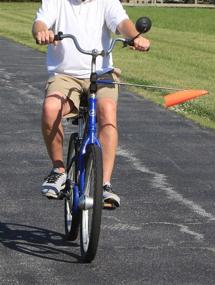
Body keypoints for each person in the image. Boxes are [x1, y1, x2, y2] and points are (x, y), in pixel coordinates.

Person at [32, 0, 150, 208]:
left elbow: (122, 22)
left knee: (107, 111)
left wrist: (136, 37)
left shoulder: (107, 1)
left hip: (101, 73)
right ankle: (58, 171)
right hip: (65, 76)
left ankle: (104, 184)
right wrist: (42, 32)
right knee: (51, 108)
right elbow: (40, 23)